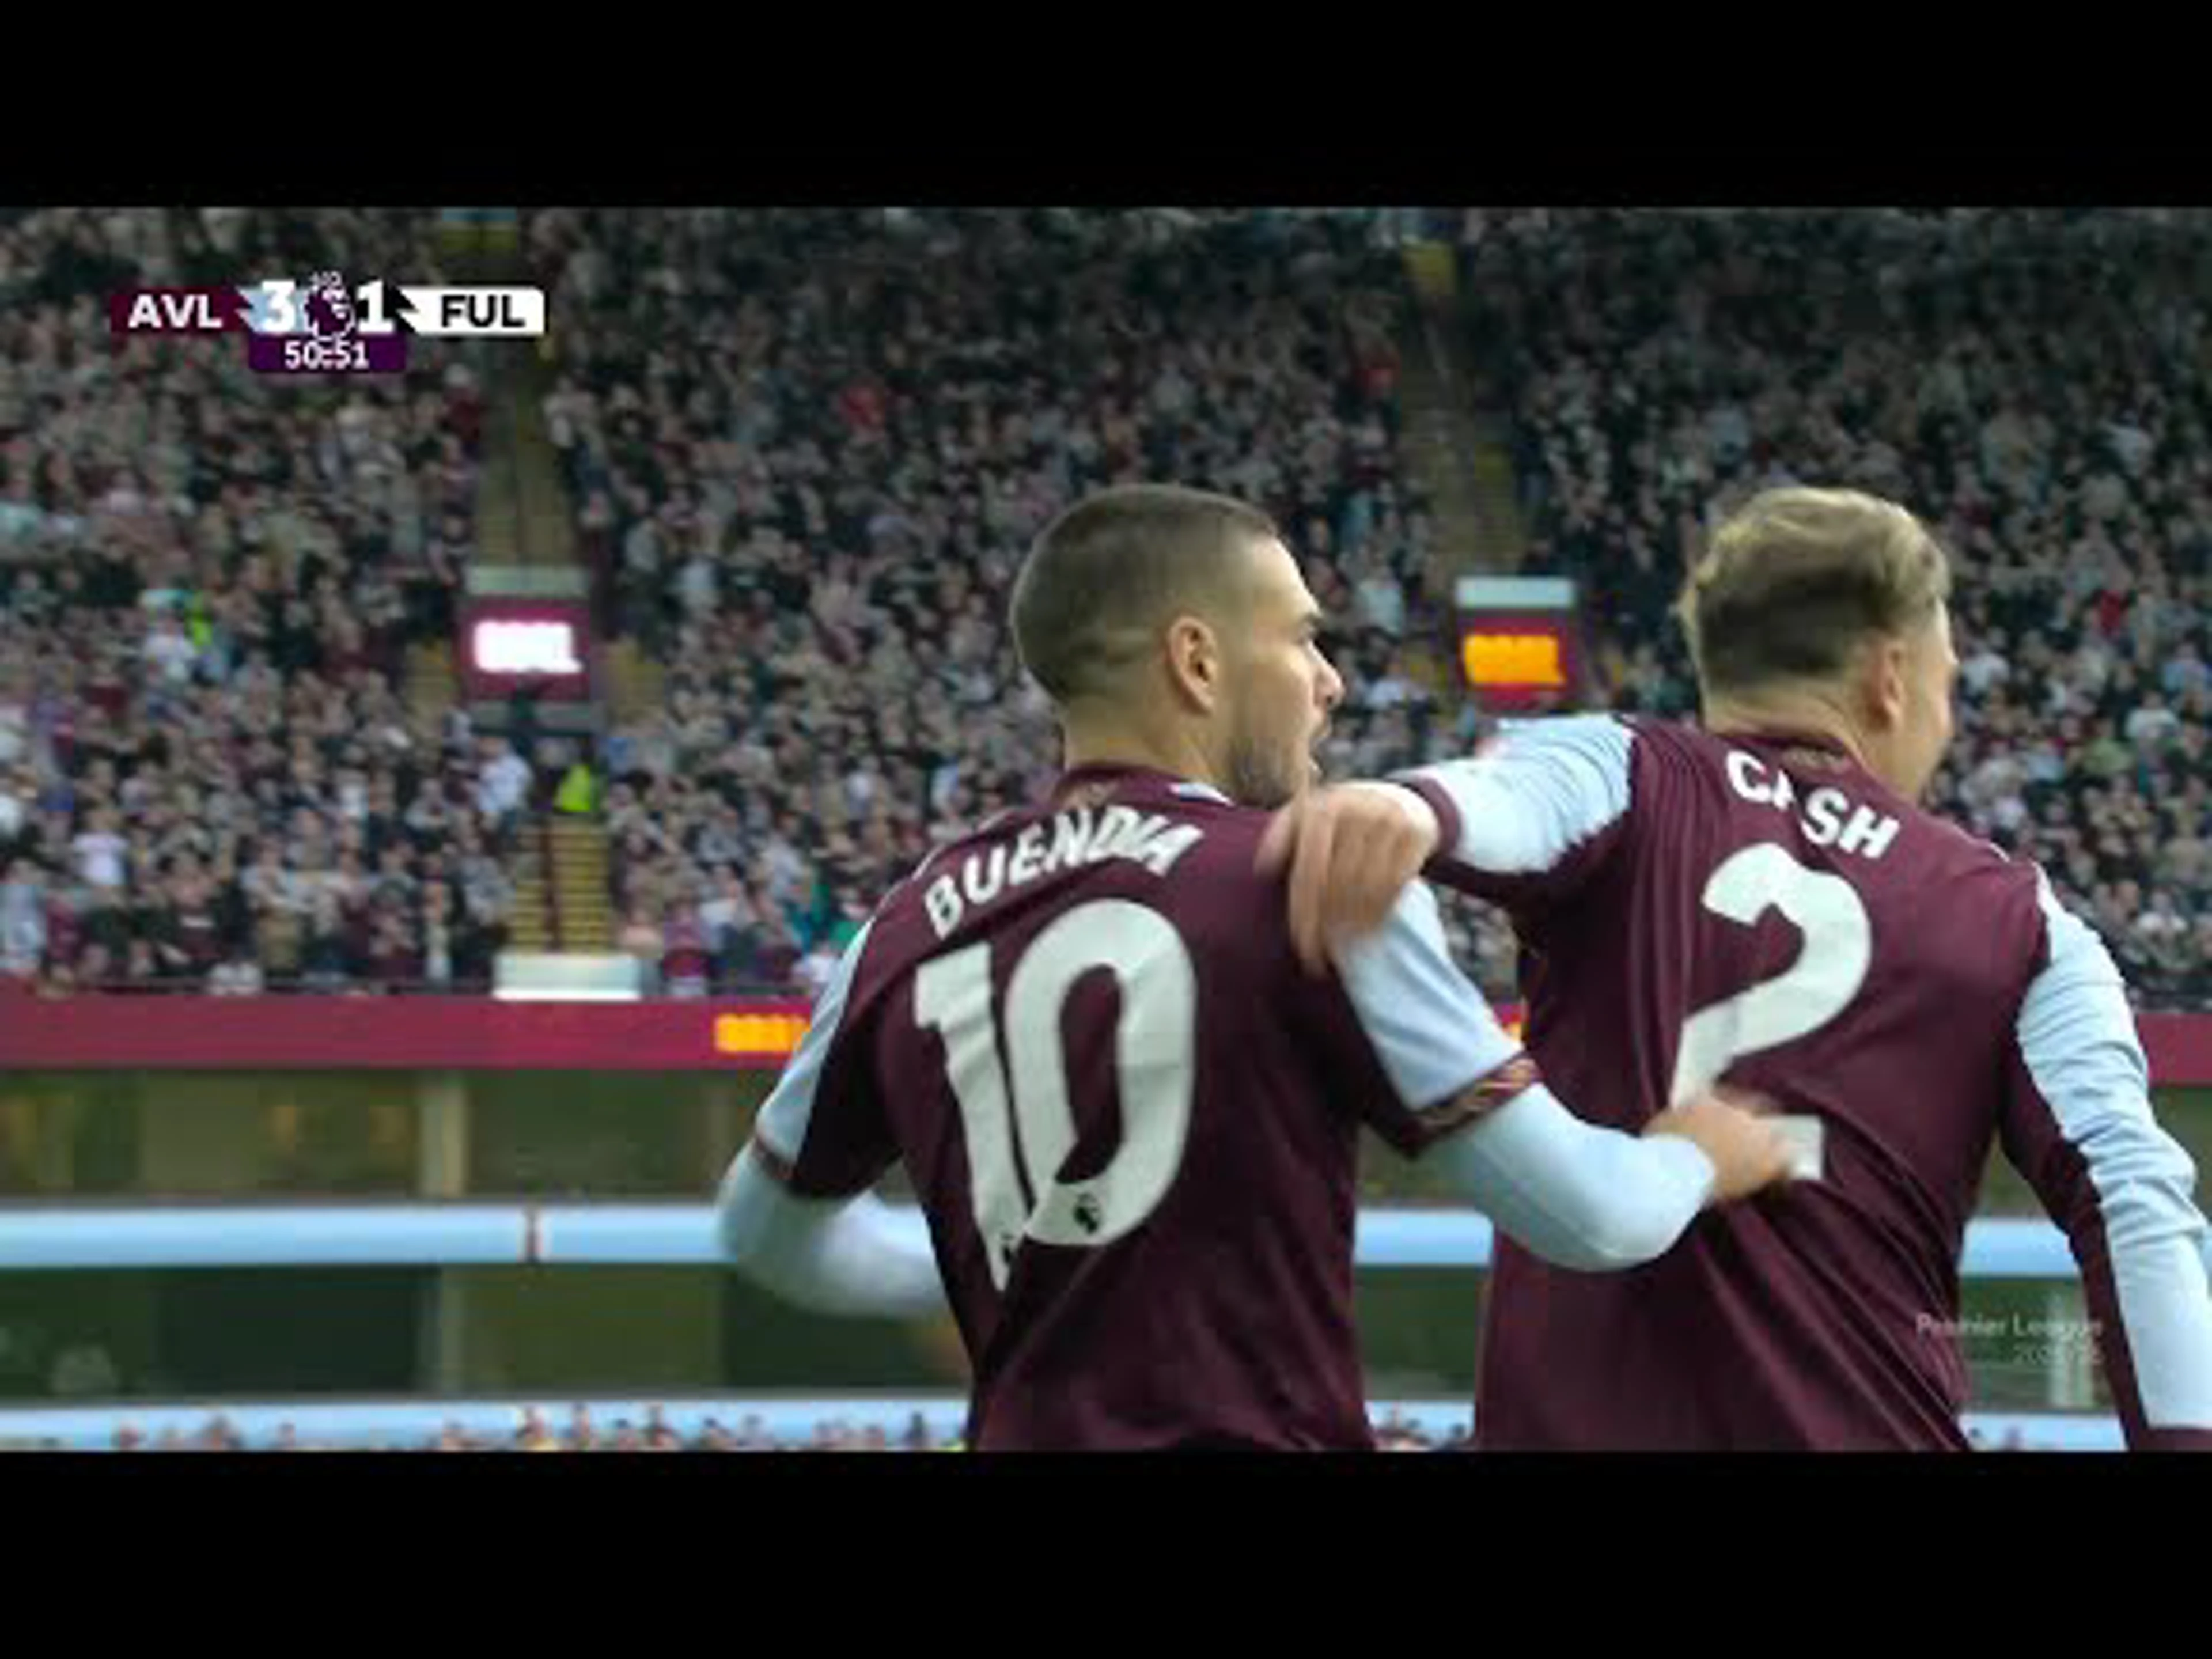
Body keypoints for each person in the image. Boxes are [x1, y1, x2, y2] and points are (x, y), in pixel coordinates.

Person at [715, 484, 1796, 1452]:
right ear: (1197, 660)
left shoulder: (902, 926)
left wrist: (1038, 1267)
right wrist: (1696, 1155)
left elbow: (763, 1237)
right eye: (1303, 642)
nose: (1328, 683)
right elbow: (1589, 1218)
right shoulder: (1310, 885)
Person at [1260, 485, 2212, 1450]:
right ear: (1891, 674)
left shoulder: (1628, 769)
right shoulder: (2022, 918)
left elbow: (1502, 800)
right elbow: (2134, 1199)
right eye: (1948, 679)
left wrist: (1412, 807)